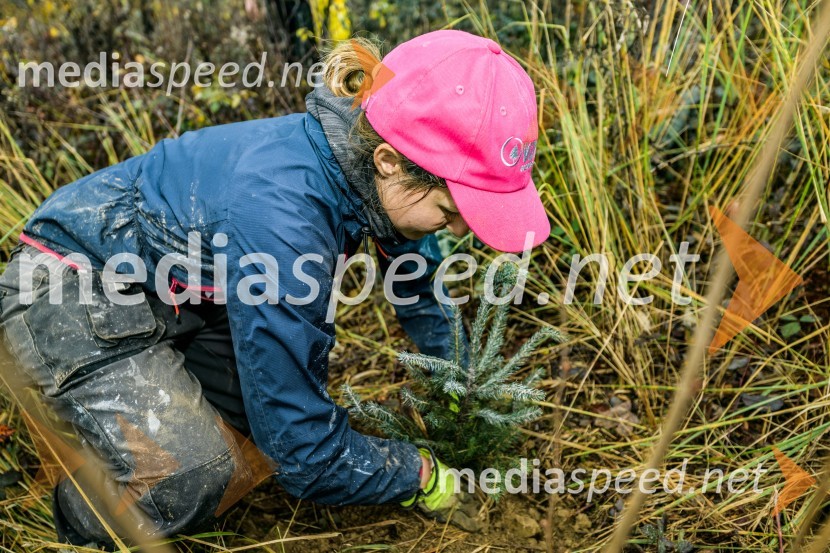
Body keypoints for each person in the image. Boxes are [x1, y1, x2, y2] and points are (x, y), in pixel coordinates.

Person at [0, 29, 550, 547]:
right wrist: (419, 475)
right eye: (451, 209)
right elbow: (301, 451)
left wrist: (457, 373)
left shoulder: (362, 167)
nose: (458, 229)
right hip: (70, 287)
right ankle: (71, 512)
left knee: (246, 443)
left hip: (176, 291)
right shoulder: (285, 222)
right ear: (390, 162)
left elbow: (415, 277)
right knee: (193, 477)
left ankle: (131, 420)